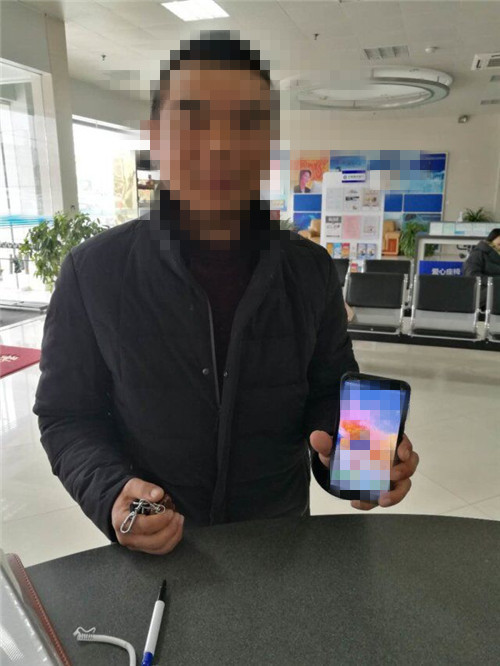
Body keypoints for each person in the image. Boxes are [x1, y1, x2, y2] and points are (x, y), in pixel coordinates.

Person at [33, 32, 419, 557]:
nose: (219, 145)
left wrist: (361, 455)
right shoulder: (93, 272)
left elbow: (329, 389)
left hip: (279, 542)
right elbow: (66, 414)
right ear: (155, 136)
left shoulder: (309, 269)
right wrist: (110, 492)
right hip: (160, 547)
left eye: (245, 122)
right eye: (192, 118)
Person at [463, 228, 500, 307]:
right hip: (483, 292)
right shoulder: (478, 254)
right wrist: (494, 282)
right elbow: (471, 275)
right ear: (490, 242)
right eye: (499, 244)